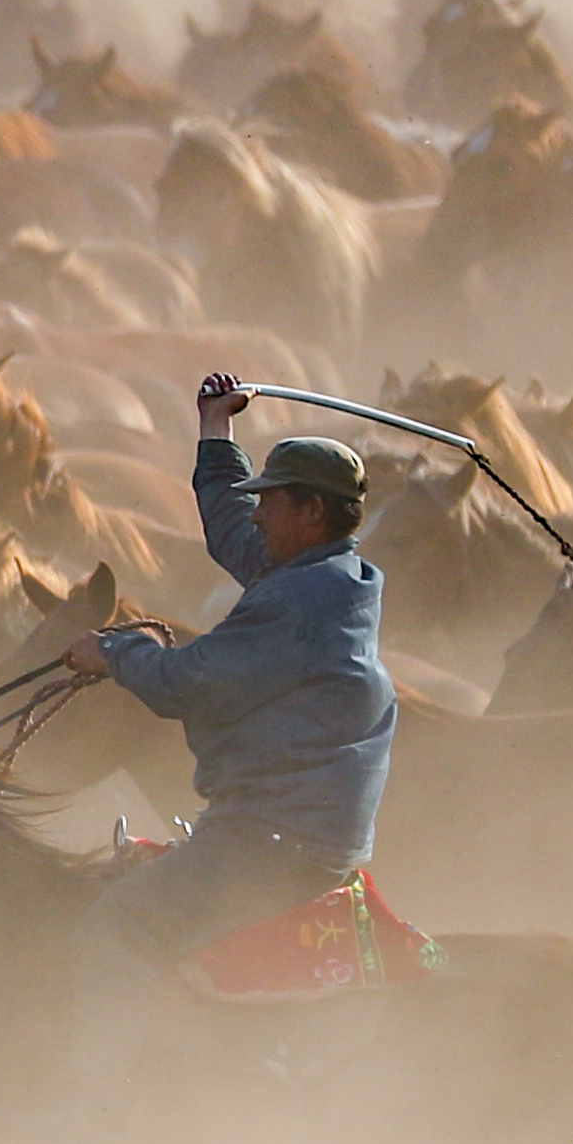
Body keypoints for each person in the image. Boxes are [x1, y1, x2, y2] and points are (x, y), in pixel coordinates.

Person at [81, 373, 397, 980]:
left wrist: (112, 652)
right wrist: (216, 427)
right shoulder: (327, 575)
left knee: (113, 925)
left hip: (272, 842)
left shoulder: (296, 601)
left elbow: (187, 682)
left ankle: (91, 1079)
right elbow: (232, 529)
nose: (256, 516)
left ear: (312, 510)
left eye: (270, 501)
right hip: (301, 836)